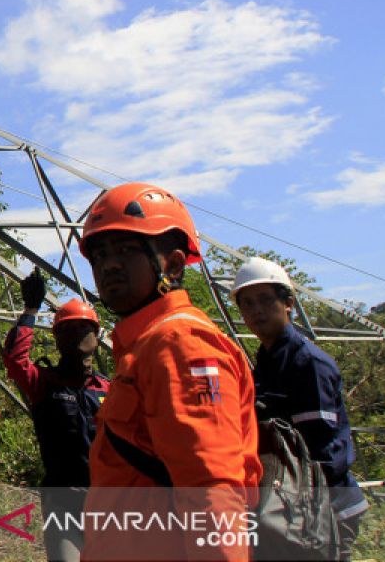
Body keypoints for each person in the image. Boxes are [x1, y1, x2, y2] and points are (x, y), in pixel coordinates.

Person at [78, 182, 261, 561]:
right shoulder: (144, 347)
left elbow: (212, 490)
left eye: (126, 249)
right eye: (98, 255)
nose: (108, 264)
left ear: (174, 264)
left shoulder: (181, 344)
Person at [232, 256, 369, 561]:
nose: (256, 311)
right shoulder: (268, 360)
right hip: (292, 507)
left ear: (289, 303)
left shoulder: (307, 363)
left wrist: (291, 506)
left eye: (266, 300)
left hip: (327, 508)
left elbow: (324, 451)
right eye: (248, 303)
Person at [2, 270, 109, 562]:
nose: (75, 336)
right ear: (57, 338)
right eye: (66, 330)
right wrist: (30, 311)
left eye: (82, 329)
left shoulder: (110, 389)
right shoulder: (44, 382)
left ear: (96, 335)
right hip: (63, 501)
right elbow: (14, 359)